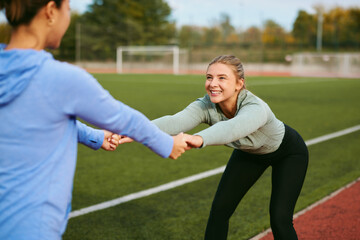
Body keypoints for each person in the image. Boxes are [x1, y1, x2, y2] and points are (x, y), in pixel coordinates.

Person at [0, 0, 188, 239]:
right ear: (50, 11)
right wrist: (167, 143)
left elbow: (40, 117)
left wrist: (95, 136)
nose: (68, 18)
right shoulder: (62, 78)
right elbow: (123, 119)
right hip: (32, 228)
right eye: (67, 9)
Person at [121, 55, 309, 239]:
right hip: (249, 154)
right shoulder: (206, 105)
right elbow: (176, 121)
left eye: (222, 78)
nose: (213, 84)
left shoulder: (256, 107)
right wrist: (134, 131)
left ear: (239, 83)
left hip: (288, 153)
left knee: (280, 218)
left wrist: (199, 138)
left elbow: (233, 128)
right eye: (209, 77)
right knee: (219, 212)